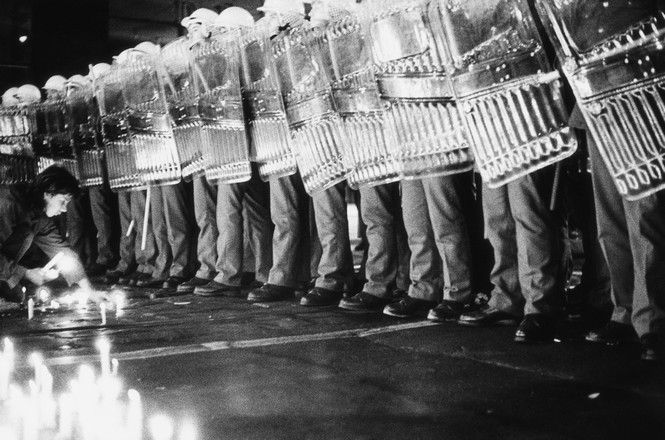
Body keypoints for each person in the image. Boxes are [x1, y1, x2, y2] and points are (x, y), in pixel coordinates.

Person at [0, 166, 91, 301]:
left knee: (19, 296)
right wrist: (26, 273)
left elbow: (63, 250)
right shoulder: (9, 204)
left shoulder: (39, 217)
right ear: (48, 193)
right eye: (63, 201)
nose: (65, 209)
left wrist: (89, 291)